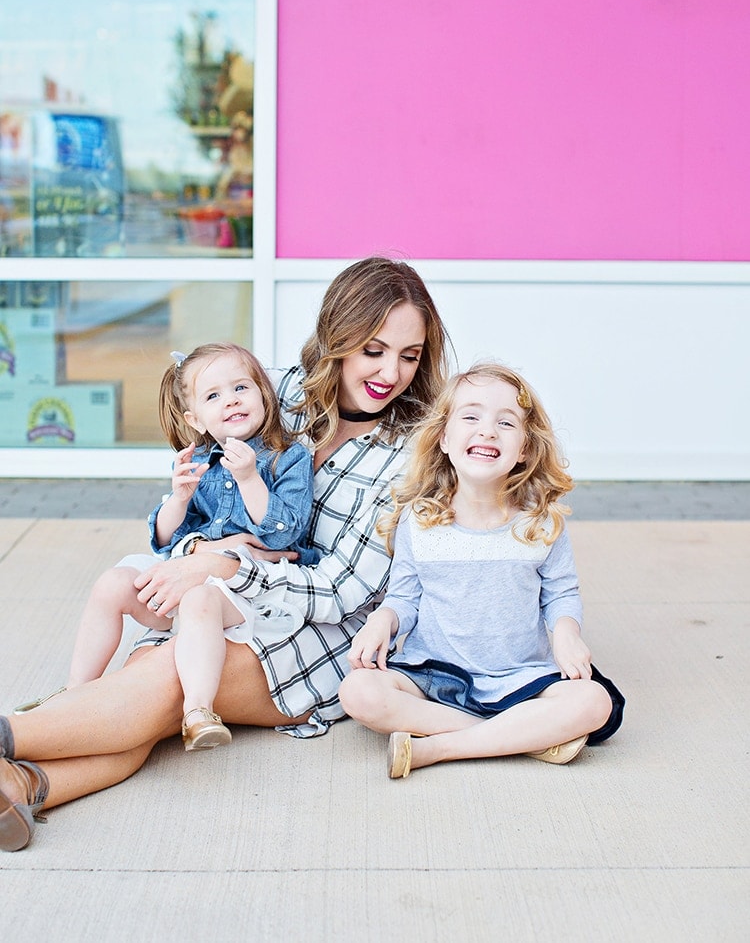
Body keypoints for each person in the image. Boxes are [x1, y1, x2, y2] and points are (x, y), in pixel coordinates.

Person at [0, 255, 450, 852]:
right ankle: (26, 783)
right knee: (153, 693)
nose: (390, 372)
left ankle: (11, 738)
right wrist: (196, 546)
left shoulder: (412, 447)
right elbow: (199, 438)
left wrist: (223, 564)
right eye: (373, 349)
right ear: (338, 338)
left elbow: (347, 590)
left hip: (320, 637)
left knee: (161, 681)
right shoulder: (278, 393)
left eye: (410, 355)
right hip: (222, 600)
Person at [13, 343, 317, 753]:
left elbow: (282, 535)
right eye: (213, 396)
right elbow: (164, 541)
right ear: (196, 419)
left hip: (253, 594)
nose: (231, 400)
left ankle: (198, 711)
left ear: (263, 394)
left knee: (199, 602)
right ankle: (76, 692)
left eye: (241, 388)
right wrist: (178, 498)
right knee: (112, 583)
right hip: (188, 574)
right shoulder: (201, 463)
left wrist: (249, 479)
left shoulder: (288, 458)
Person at [339, 362, 624, 779]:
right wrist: (383, 620)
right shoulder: (419, 521)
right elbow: (404, 596)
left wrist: (566, 633)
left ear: (525, 447)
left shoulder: (541, 523)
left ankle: (440, 747)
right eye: (470, 417)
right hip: (434, 675)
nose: (487, 430)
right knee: (359, 692)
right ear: (443, 438)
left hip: (519, 677)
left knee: (593, 702)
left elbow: (560, 594)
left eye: (506, 422)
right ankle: (520, 738)